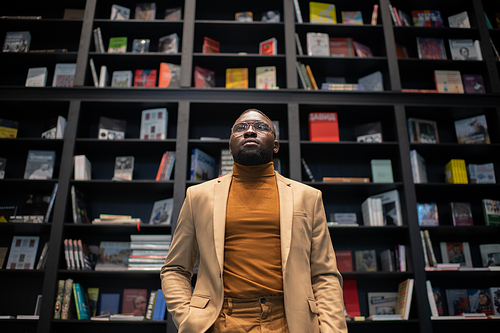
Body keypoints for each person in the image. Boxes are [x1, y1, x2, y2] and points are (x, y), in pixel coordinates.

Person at [160, 109, 347, 333]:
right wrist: (189, 318)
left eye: (260, 127)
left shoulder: (307, 197)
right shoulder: (199, 196)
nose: (250, 131)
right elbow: (176, 269)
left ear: (275, 145)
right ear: (230, 146)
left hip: (291, 322)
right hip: (221, 322)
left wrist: (333, 330)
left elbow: (324, 274)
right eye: (241, 128)